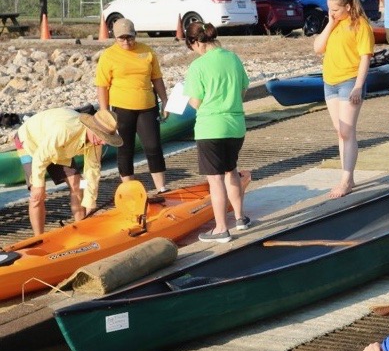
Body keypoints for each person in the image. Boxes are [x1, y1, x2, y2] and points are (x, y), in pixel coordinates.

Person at [183, 22, 251, 244]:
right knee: (232, 171)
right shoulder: (232, 58)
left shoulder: (198, 66)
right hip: (236, 125)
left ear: (196, 43)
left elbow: (195, 102)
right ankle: (240, 218)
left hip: (211, 127)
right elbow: (243, 90)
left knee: (215, 180)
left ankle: (221, 228)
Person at [15, 107, 122, 236]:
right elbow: (40, 156)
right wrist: (39, 185)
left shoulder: (96, 142)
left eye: (106, 138)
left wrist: (90, 203)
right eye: (102, 136)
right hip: (30, 142)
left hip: (59, 150)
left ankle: (82, 226)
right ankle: (39, 238)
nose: (104, 142)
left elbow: (92, 171)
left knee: (80, 183)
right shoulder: (66, 130)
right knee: (37, 195)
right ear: (92, 128)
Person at [95, 18, 169, 194]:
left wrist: (165, 100)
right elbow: (102, 85)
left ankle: (161, 187)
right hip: (122, 108)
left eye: (129, 37)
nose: (126, 42)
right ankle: (129, 189)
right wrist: (104, 111)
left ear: (135, 34)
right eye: (121, 38)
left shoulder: (147, 51)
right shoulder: (109, 55)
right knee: (125, 148)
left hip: (147, 106)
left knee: (153, 146)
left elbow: (156, 78)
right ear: (115, 37)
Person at [313, 0, 375, 199]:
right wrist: (330, 23)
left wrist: (359, 85)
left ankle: (346, 179)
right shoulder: (335, 24)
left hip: (350, 81)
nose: (332, 12)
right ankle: (347, 174)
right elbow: (317, 48)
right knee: (340, 130)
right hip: (330, 81)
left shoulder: (361, 26)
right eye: (329, 9)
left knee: (347, 131)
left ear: (347, 7)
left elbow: (365, 57)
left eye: (335, 9)